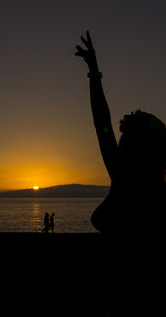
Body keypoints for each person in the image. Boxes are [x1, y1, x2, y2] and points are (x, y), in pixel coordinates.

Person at [75, 31, 166, 316]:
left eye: (125, 137)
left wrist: (94, 73)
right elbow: (101, 122)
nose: (119, 139)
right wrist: (93, 73)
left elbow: (100, 122)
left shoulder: (124, 174)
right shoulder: (142, 180)